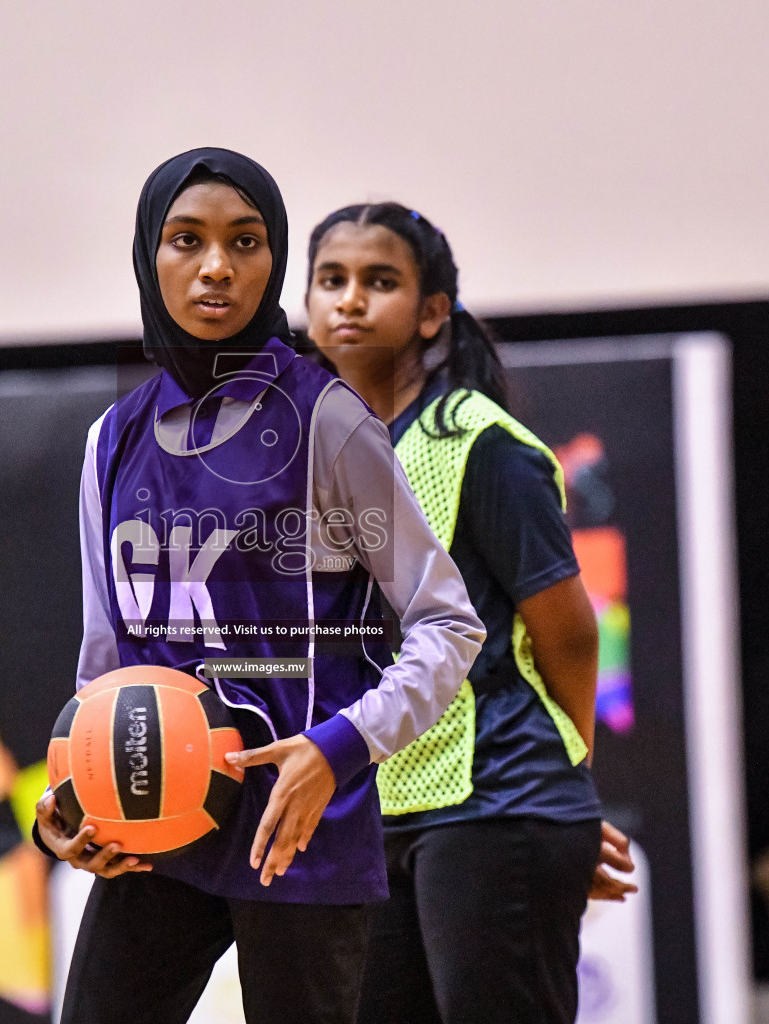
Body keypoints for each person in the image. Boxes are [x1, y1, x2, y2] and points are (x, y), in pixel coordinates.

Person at [32, 149, 486, 1024]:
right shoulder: (112, 442)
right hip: (160, 819)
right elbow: (104, 664)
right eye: (186, 240)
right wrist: (70, 800)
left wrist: (339, 750)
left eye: (245, 241)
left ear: (272, 258)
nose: (216, 267)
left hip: (298, 826)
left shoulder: (328, 420)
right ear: (146, 256)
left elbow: (446, 625)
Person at [304, 201, 636, 1024]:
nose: (350, 300)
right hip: (373, 817)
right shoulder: (312, 458)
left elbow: (568, 631)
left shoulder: (478, 443)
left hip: (495, 802)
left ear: (431, 313)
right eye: (330, 280)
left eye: (379, 282)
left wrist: (564, 782)